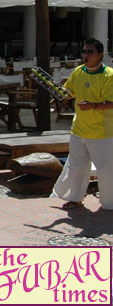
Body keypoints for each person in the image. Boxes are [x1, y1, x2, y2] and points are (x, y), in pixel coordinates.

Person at [52, 38, 113, 210]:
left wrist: (93, 106)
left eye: (90, 52)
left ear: (100, 55)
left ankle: (109, 202)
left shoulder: (109, 75)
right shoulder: (78, 71)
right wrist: (60, 92)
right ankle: (75, 197)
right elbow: (69, 92)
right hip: (79, 129)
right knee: (76, 166)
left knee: (106, 169)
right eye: (84, 51)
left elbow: (111, 102)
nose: (85, 55)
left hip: (102, 131)